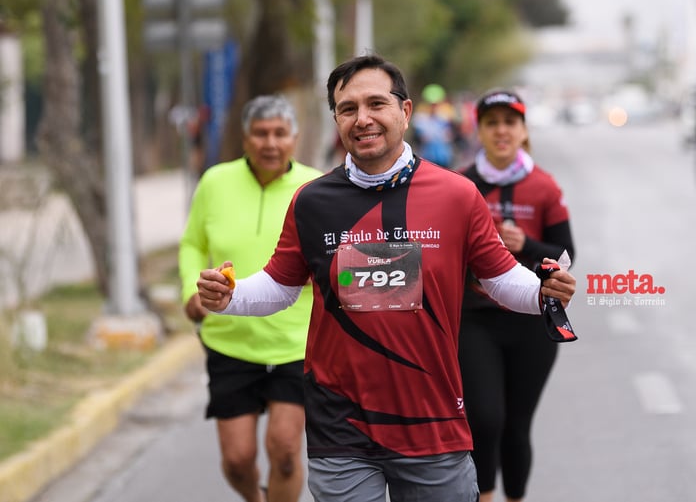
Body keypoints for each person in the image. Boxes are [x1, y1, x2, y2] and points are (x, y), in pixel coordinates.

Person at [194, 53, 577, 502]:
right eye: (348, 108)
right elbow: (279, 287)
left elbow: (500, 279)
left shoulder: (456, 195)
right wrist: (230, 296)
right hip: (342, 426)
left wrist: (544, 293)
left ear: (405, 111)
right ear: (336, 118)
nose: (363, 119)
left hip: (431, 422)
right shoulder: (312, 201)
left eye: (376, 103)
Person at [178, 94, 322, 502]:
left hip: (295, 344)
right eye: (260, 133)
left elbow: (335, 252)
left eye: (280, 133)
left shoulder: (315, 187)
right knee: (238, 459)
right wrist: (192, 291)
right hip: (231, 340)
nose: (270, 143)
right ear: (245, 138)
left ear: (295, 138)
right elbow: (192, 244)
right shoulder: (215, 182)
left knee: (287, 451)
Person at [458, 89, 576, 502]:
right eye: (492, 123)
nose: (502, 131)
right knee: (484, 419)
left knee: (516, 425)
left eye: (510, 123)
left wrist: (526, 244)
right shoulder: (460, 184)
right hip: (474, 320)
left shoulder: (544, 186)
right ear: (480, 131)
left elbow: (566, 255)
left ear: (523, 131)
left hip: (532, 323)